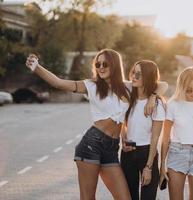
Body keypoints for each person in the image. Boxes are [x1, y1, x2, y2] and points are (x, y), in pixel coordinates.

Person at [25, 49, 166, 200]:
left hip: (111, 148)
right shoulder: (91, 86)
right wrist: (36, 67)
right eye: (97, 64)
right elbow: (59, 83)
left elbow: (162, 84)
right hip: (91, 144)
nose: (101, 67)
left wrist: (153, 97)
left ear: (115, 65)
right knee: (88, 197)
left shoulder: (128, 87)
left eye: (105, 64)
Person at [160, 67, 193, 200]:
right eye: (189, 90)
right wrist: (162, 165)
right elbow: (165, 137)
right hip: (177, 154)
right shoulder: (173, 104)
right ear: (181, 87)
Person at [120, 60, 165, 200]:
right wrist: (123, 140)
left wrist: (149, 168)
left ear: (148, 77)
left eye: (139, 74)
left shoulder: (157, 104)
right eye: (133, 72)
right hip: (128, 153)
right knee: (130, 197)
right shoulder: (127, 96)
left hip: (147, 153)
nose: (133, 76)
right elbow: (122, 123)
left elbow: (155, 138)